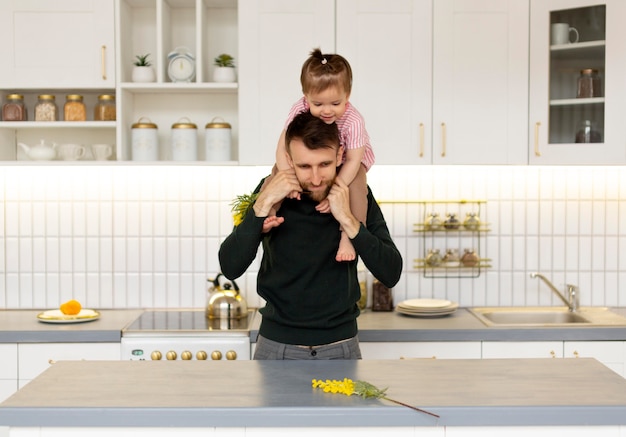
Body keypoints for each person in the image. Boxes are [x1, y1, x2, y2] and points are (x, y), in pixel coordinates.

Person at [218, 111, 402, 360]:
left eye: (324, 165)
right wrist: (261, 207)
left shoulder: (356, 195)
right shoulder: (272, 192)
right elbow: (230, 266)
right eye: (304, 166)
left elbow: (391, 273)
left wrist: (348, 220)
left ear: (339, 155)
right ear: (289, 160)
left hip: (341, 347)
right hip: (276, 346)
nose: (315, 179)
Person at [270, 48, 375, 262]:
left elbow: (355, 159)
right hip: (316, 157)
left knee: (357, 188)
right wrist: (287, 175)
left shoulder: (353, 120)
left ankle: (348, 235)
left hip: (349, 161)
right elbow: (282, 146)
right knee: (275, 173)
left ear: (348, 96)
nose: (327, 111)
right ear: (306, 97)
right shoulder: (299, 109)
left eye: (336, 104)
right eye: (317, 104)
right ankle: (269, 212)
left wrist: (336, 188)